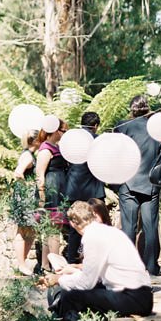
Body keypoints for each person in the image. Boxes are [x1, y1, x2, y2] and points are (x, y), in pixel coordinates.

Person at [44, 201, 153, 321]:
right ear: (93, 215)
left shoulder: (92, 237)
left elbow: (87, 283)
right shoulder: (108, 231)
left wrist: (59, 279)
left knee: (71, 295)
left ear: (73, 224)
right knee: (74, 291)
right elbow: (95, 277)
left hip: (132, 298)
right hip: (141, 295)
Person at [114, 95, 161, 276]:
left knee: (129, 227)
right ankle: (151, 266)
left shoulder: (122, 127)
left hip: (128, 182)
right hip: (151, 183)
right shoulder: (156, 129)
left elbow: (114, 151)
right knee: (150, 227)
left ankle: (127, 267)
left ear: (131, 108)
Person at [64, 111, 104, 263]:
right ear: (95, 126)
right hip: (94, 189)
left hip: (73, 187)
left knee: (75, 226)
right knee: (97, 225)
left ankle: (72, 260)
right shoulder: (99, 140)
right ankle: (95, 259)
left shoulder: (71, 141)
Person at [36, 121, 69, 271]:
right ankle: (55, 266)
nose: (64, 133)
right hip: (51, 189)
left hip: (60, 187)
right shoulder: (45, 149)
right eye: (63, 131)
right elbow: (40, 175)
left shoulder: (57, 147)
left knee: (51, 228)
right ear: (55, 131)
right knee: (54, 228)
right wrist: (42, 197)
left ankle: (45, 265)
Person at [10, 129, 43, 274]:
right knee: (23, 231)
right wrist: (27, 187)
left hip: (25, 198)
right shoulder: (28, 157)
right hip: (25, 199)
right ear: (35, 141)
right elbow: (18, 173)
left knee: (31, 230)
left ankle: (21, 264)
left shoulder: (27, 154)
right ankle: (22, 264)